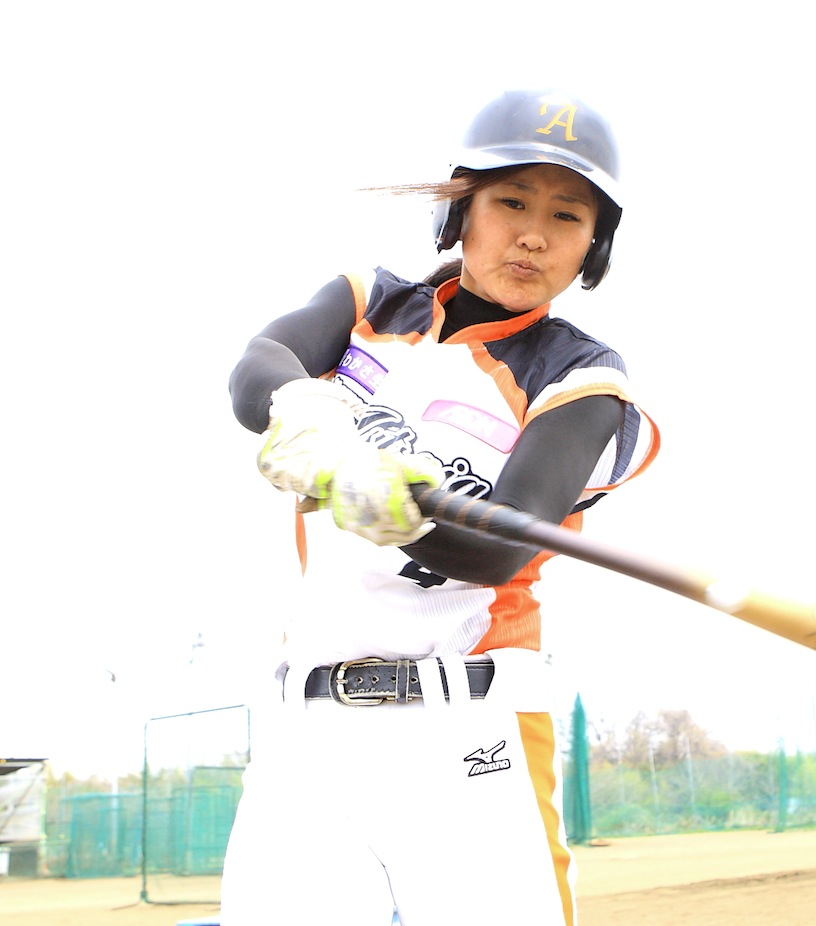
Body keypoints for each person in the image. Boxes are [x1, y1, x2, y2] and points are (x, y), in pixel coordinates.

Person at [219, 89, 658, 926]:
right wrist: (307, 412)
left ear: (592, 247)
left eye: (568, 217)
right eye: (510, 202)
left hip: (469, 734)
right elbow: (257, 369)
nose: (533, 234)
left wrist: (393, 500)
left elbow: (502, 544)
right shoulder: (366, 304)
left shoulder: (583, 377)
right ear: (462, 211)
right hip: (305, 739)